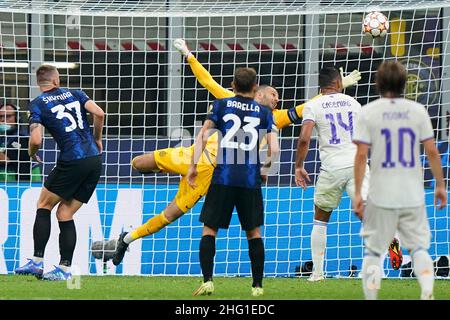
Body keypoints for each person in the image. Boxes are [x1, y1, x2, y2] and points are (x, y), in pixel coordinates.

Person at [110, 39, 362, 266]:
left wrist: (335, 91)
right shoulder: (231, 99)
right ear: (260, 91)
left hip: (213, 176)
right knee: (138, 163)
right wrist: (188, 54)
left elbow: (307, 108)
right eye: (274, 95)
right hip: (194, 157)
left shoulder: (274, 118)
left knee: (170, 214)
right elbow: (207, 80)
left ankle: (127, 239)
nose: (277, 100)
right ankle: (164, 170)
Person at [353, 60, 447, 300]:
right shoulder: (418, 111)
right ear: (406, 83)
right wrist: (440, 184)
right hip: (411, 192)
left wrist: (357, 193)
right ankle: (427, 292)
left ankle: (372, 297)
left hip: (380, 193)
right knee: (418, 248)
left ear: (378, 83)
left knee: (374, 251)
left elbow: (361, 155)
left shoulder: (368, 111)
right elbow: (432, 151)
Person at [186, 67, 279, 297]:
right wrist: (265, 169)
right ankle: (257, 287)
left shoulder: (221, 105)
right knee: (254, 233)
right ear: (255, 88)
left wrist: (192, 167)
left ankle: (208, 281)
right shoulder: (265, 112)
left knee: (210, 229)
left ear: (232, 85)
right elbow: (274, 149)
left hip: (223, 177)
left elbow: (203, 136)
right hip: (249, 179)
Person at [14, 64, 105, 281]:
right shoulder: (76, 93)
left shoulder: (37, 104)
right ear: (57, 80)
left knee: (43, 205)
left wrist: (31, 153)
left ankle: (37, 262)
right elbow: (100, 113)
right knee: (65, 213)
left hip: (72, 160)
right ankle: (64, 270)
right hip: (93, 160)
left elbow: (36, 140)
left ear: (40, 83)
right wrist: (98, 139)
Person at [294, 66, 374, 281]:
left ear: (320, 86)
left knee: (321, 219)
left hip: (332, 167)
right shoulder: (354, 103)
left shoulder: (313, 105)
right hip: (357, 163)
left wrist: (298, 166)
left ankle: (317, 273)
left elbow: (304, 138)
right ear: (339, 83)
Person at [0, 103, 32, 181]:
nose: (3, 120)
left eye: (8, 116)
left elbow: (5, 160)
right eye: (0, 116)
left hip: (19, 184)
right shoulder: (2, 137)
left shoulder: (23, 138)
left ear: (17, 118)